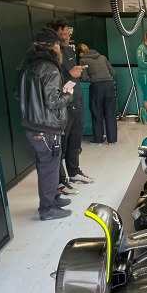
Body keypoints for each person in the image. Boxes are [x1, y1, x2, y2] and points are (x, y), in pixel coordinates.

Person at [16, 27, 75, 220]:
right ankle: (47, 209)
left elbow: (18, 94)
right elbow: (54, 101)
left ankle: (53, 199)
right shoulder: (49, 68)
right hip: (46, 127)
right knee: (49, 168)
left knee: (47, 166)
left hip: (32, 124)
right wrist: (68, 94)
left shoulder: (26, 65)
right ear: (54, 45)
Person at [50, 20, 94, 184]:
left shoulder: (69, 50)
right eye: (64, 34)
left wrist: (76, 73)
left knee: (75, 142)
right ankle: (60, 181)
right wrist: (69, 75)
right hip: (63, 106)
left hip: (76, 101)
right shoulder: (51, 55)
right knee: (61, 146)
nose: (68, 37)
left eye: (69, 33)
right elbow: (52, 81)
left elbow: (71, 76)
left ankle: (74, 173)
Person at [78, 42, 118, 144]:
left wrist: (90, 77)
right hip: (109, 86)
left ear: (80, 53)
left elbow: (84, 78)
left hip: (96, 87)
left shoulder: (83, 60)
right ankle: (112, 139)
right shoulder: (102, 57)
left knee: (97, 112)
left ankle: (98, 139)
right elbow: (113, 72)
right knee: (110, 113)